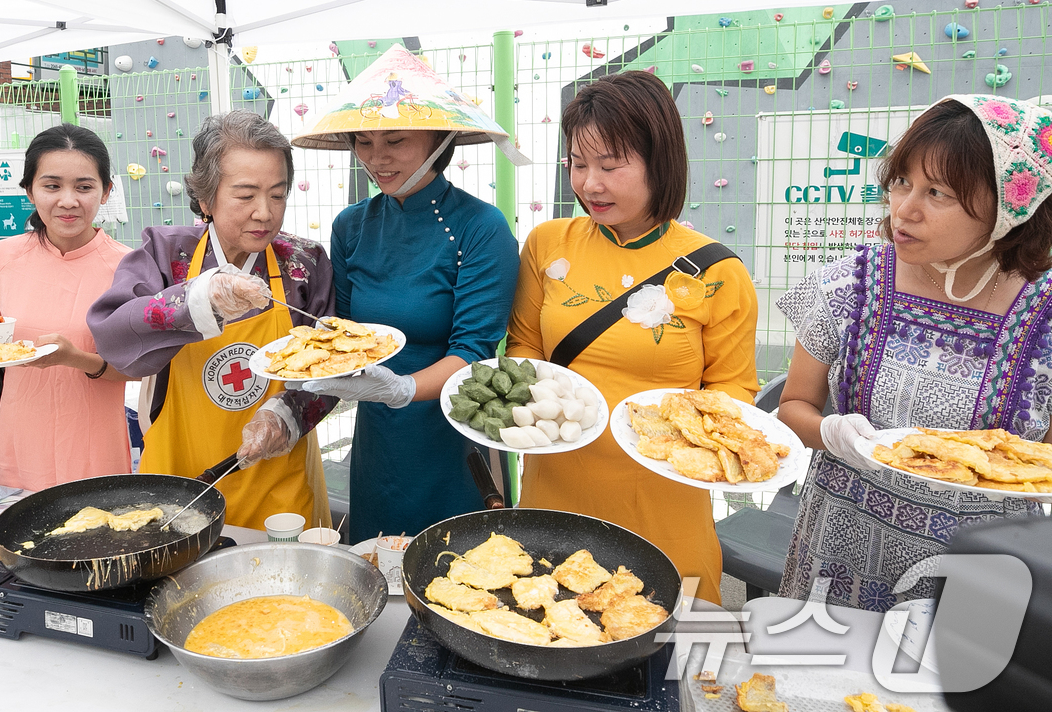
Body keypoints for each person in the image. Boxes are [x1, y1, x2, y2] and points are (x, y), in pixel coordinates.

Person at [776, 95, 1052, 611]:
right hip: (839, 550)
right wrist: (831, 433)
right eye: (901, 181)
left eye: (938, 193)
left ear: (1008, 207)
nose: (904, 208)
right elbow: (793, 409)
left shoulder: (1046, 318)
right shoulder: (850, 283)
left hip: (980, 574)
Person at [506, 71, 759, 606]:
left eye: (610, 164)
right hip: (556, 490)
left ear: (658, 160)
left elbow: (734, 397)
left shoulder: (718, 272)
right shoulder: (548, 243)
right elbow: (524, 350)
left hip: (664, 498)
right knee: (552, 635)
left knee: (667, 653)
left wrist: (676, 438)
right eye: (578, 164)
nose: (590, 184)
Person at [291, 45, 526, 544]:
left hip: (454, 434)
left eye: (395, 139)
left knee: (457, 574)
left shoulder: (480, 227)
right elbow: (348, 335)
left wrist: (400, 388)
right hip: (379, 437)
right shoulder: (351, 226)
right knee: (377, 568)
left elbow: (475, 351)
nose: (377, 159)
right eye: (363, 141)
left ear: (439, 142)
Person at [88, 110, 335, 530]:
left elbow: (333, 366)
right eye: (245, 195)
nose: (264, 213)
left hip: (280, 480)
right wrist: (197, 297)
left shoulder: (304, 263)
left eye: (278, 194)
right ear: (205, 197)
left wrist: (288, 416)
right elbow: (113, 335)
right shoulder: (166, 254)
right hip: (181, 476)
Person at [0, 124, 132, 491]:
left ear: (106, 191)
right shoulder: (0, 258)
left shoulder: (130, 267)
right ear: (29, 190)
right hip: (20, 440)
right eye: (51, 185)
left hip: (94, 443)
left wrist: (74, 357)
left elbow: (139, 369)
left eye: (84, 186)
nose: (67, 200)